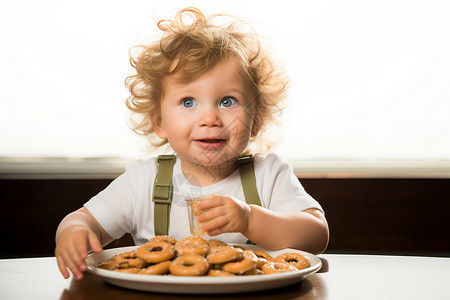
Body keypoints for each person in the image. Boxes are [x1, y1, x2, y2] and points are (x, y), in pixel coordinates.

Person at [55, 7, 329, 280]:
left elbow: (316, 234)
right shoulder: (142, 181)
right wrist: (74, 233)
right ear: (159, 122)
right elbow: (83, 219)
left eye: (227, 101)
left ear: (255, 119)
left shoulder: (269, 175)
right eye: (188, 102)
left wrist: (251, 220)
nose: (210, 118)